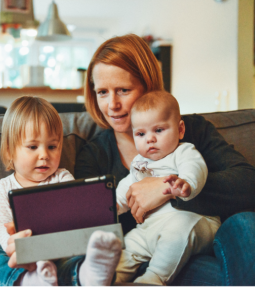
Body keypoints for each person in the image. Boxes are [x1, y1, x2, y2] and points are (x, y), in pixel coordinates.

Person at [75, 33, 255, 285]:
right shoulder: (94, 155)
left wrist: (166, 188)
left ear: (148, 86)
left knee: (247, 223)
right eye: (102, 92)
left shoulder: (192, 130)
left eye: (123, 90)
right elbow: (91, 225)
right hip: (147, 257)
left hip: (207, 240)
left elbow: (248, 183)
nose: (112, 104)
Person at [0, 95, 122, 286]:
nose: (44, 155)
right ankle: (28, 281)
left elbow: (75, 224)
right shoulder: (0, 191)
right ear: (9, 151)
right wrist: (22, 249)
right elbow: (1, 240)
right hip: (19, 262)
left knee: (87, 248)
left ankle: (88, 275)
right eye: (32, 147)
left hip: (60, 257)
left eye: (52, 146)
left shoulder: (63, 179)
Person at [113, 90, 221, 285]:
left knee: (177, 230)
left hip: (193, 222)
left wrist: (186, 183)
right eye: (141, 133)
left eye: (159, 130)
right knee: (127, 245)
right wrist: (112, 206)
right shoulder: (139, 163)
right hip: (149, 229)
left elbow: (195, 167)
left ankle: (153, 278)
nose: (150, 139)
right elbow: (127, 188)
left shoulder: (183, 151)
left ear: (180, 130)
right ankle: (108, 278)